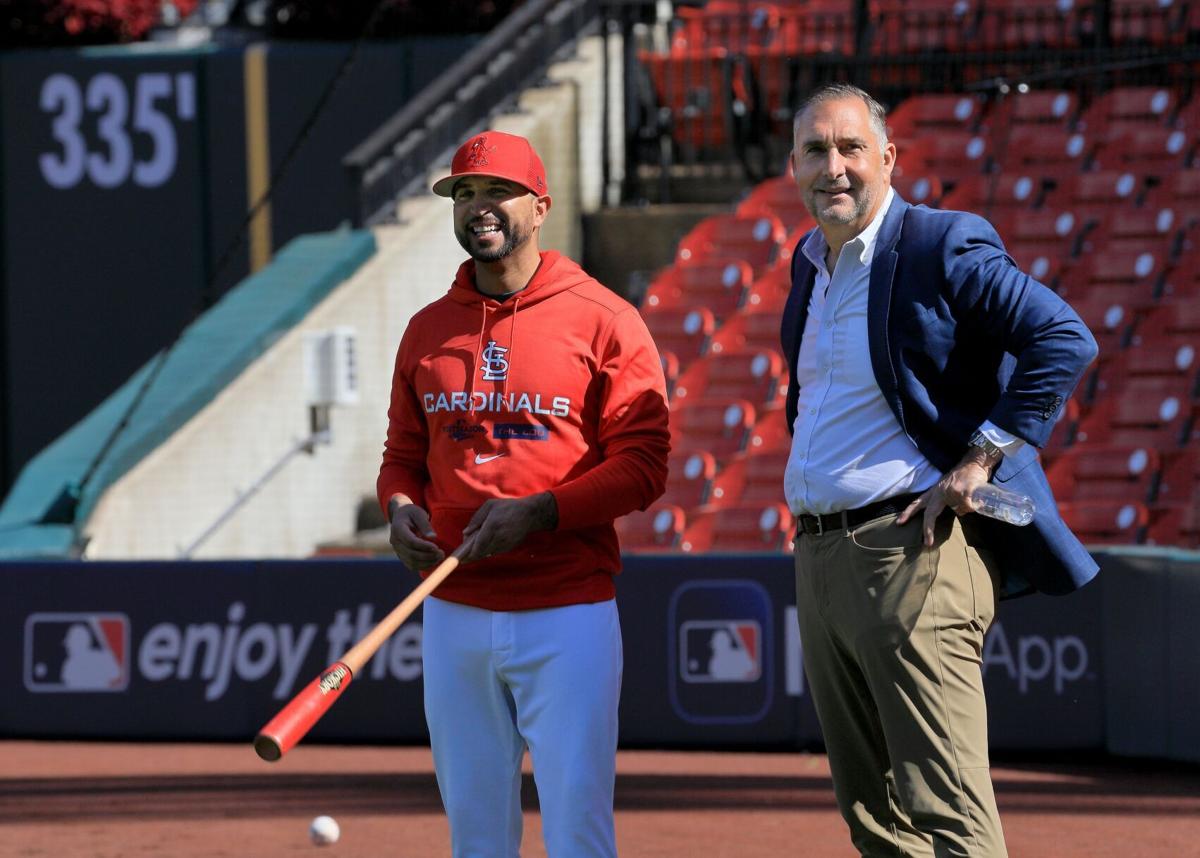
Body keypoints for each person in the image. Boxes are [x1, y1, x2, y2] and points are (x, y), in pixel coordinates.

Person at [781, 83, 1098, 857]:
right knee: (876, 821)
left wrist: (982, 456)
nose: (835, 167)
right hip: (820, 558)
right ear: (793, 167)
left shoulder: (939, 242)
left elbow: (1065, 338)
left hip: (911, 554)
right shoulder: (807, 265)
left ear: (887, 158)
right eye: (817, 151)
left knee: (948, 812)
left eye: (851, 148)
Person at [378, 130, 670, 858]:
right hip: (454, 609)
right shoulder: (424, 330)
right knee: (476, 836)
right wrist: (399, 509)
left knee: (576, 830)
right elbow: (402, 458)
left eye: (497, 191)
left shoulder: (605, 318)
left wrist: (541, 512)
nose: (479, 207)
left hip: (567, 609)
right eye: (465, 193)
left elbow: (643, 465)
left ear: (540, 207)